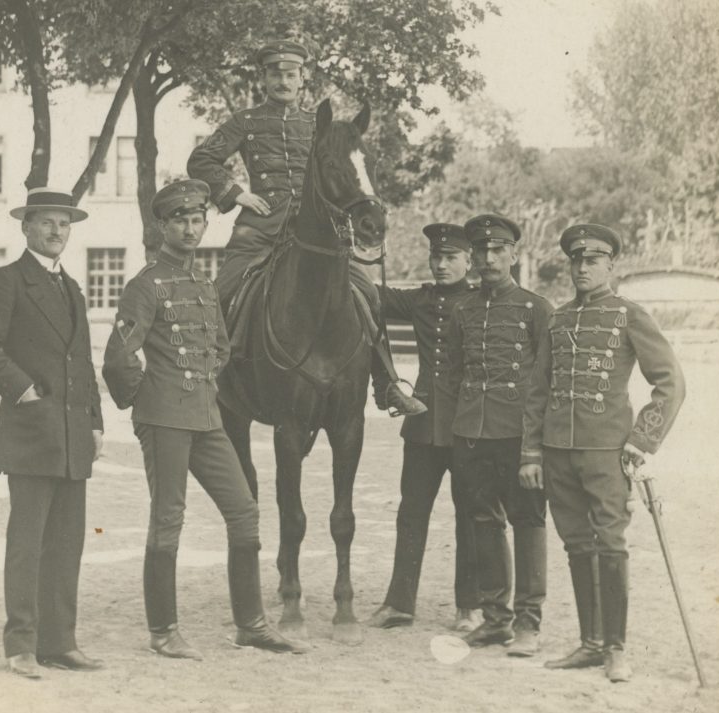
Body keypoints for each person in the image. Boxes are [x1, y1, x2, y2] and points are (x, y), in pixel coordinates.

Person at [102, 180, 307, 658]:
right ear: (163, 226)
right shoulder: (145, 286)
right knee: (169, 518)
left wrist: (202, 382)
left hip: (206, 417)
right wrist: (148, 399)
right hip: (165, 419)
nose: (190, 229)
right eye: (181, 221)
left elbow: (221, 347)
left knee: (244, 510)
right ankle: (163, 631)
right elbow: (118, 358)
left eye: (197, 220)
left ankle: (251, 624)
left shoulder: (204, 285)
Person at [186, 39, 424, 417]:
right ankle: (210, 378)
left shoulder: (320, 124)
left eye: (291, 74)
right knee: (223, 290)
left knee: (366, 292)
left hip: (314, 232)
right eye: (276, 73)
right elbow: (201, 160)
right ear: (264, 78)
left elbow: (347, 167)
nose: (283, 80)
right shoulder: (245, 122)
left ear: (302, 79)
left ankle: (387, 382)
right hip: (259, 229)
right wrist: (236, 194)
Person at [519, 224, 685, 682]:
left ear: (612, 264)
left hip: (607, 454)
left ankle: (615, 648)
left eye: (592, 260)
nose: (582, 268)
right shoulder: (557, 320)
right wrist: (531, 453)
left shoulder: (628, 315)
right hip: (557, 453)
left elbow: (670, 383)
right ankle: (590, 643)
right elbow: (537, 392)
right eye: (576, 260)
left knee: (610, 543)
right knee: (576, 544)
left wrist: (640, 440)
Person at [0, 188, 104, 679]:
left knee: (67, 543)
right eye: (46, 222)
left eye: (63, 224)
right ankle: (21, 645)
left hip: (71, 435)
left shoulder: (72, 288)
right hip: (30, 432)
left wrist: (96, 421)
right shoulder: (7, 281)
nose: (56, 232)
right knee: (27, 542)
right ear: (26, 227)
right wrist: (21, 389)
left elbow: (82, 360)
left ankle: (59, 642)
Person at [448, 214, 553, 656]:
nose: (488, 259)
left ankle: (528, 623)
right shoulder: (463, 310)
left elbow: (545, 383)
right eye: (481, 251)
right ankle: (495, 619)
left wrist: (533, 451)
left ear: (513, 254)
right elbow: (456, 374)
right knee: (484, 523)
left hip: (518, 436)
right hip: (473, 432)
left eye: (497, 251)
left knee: (528, 523)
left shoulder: (535, 309)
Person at [369, 224, 482, 631]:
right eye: (436, 257)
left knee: (469, 515)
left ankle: (469, 606)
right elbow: (372, 295)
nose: (441, 265)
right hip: (422, 424)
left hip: (468, 425)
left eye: (451, 258)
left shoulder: (481, 301)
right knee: (411, 512)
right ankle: (400, 603)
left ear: (469, 261)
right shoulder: (420, 300)